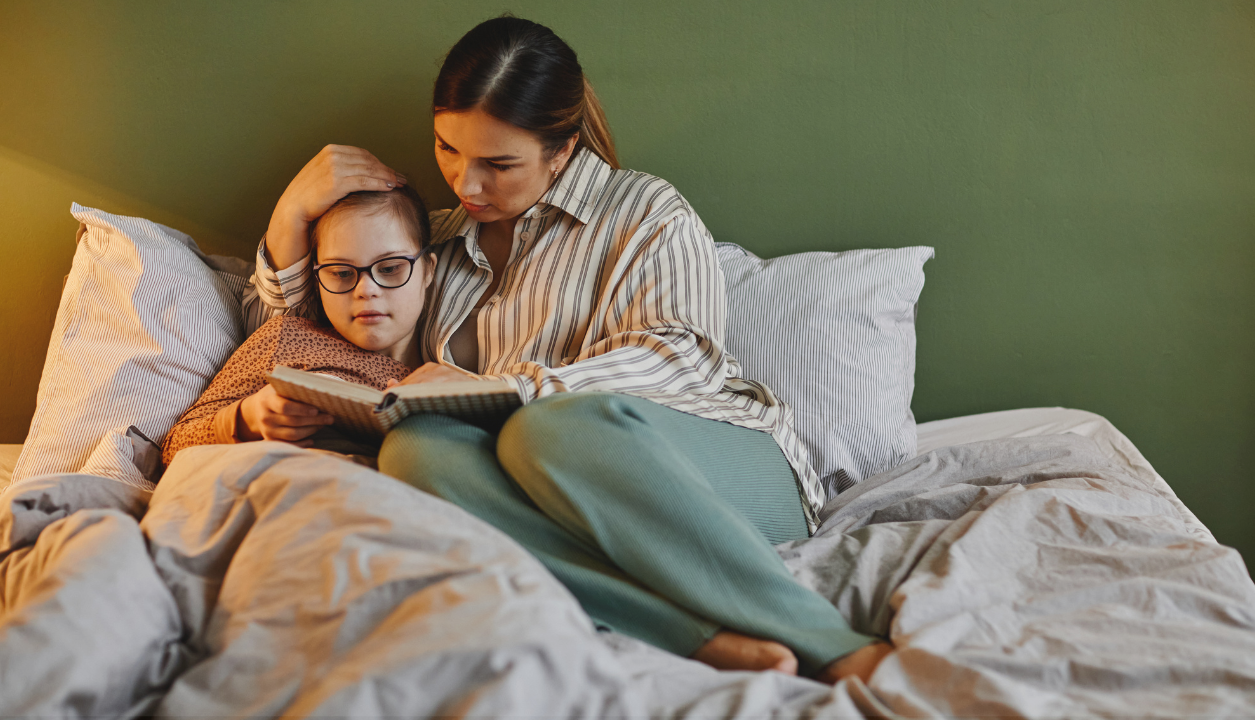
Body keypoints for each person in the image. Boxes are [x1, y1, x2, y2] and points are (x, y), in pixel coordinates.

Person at [240, 15, 893, 683]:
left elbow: (685, 356)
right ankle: (687, 634)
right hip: (549, 484)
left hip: (724, 467)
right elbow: (281, 334)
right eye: (447, 150)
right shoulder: (428, 247)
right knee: (414, 451)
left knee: (548, 425)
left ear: (561, 150)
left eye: (498, 164)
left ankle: (831, 641)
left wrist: (523, 387)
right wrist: (292, 214)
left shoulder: (645, 213)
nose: (466, 185)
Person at [161, 185, 435, 464]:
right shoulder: (286, 337)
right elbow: (174, 448)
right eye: (341, 272)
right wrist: (247, 418)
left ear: (428, 270)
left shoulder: (445, 385)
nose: (366, 289)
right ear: (317, 280)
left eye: (389, 268)